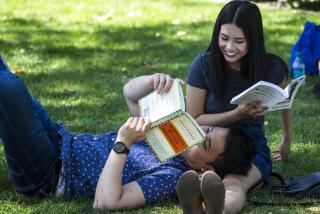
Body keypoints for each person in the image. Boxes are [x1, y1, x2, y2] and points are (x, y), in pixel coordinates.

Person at [0, 55, 256, 210]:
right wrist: (153, 81)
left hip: (50, 174)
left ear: (205, 170)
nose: (199, 131)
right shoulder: (169, 134)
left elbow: (106, 202)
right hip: (58, 139)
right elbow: (130, 94)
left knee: (8, 87)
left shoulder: (170, 176)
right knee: (5, 74)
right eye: (206, 127)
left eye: (206, 142)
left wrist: (123, 143)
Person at [183, 0, 292, 213]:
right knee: (216, 178)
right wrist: (237, 113)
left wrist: (286, 140)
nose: (230, 47)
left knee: (236, 183)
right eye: (224, 38)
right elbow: (193, 119)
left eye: (239, 41)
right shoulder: (203, 66)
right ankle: (202, 196)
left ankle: (216, 209)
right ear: (217, 35)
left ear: (253, 40)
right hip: (208, 145)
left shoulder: (272, 68)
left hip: (250, 145)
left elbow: (285, 102)